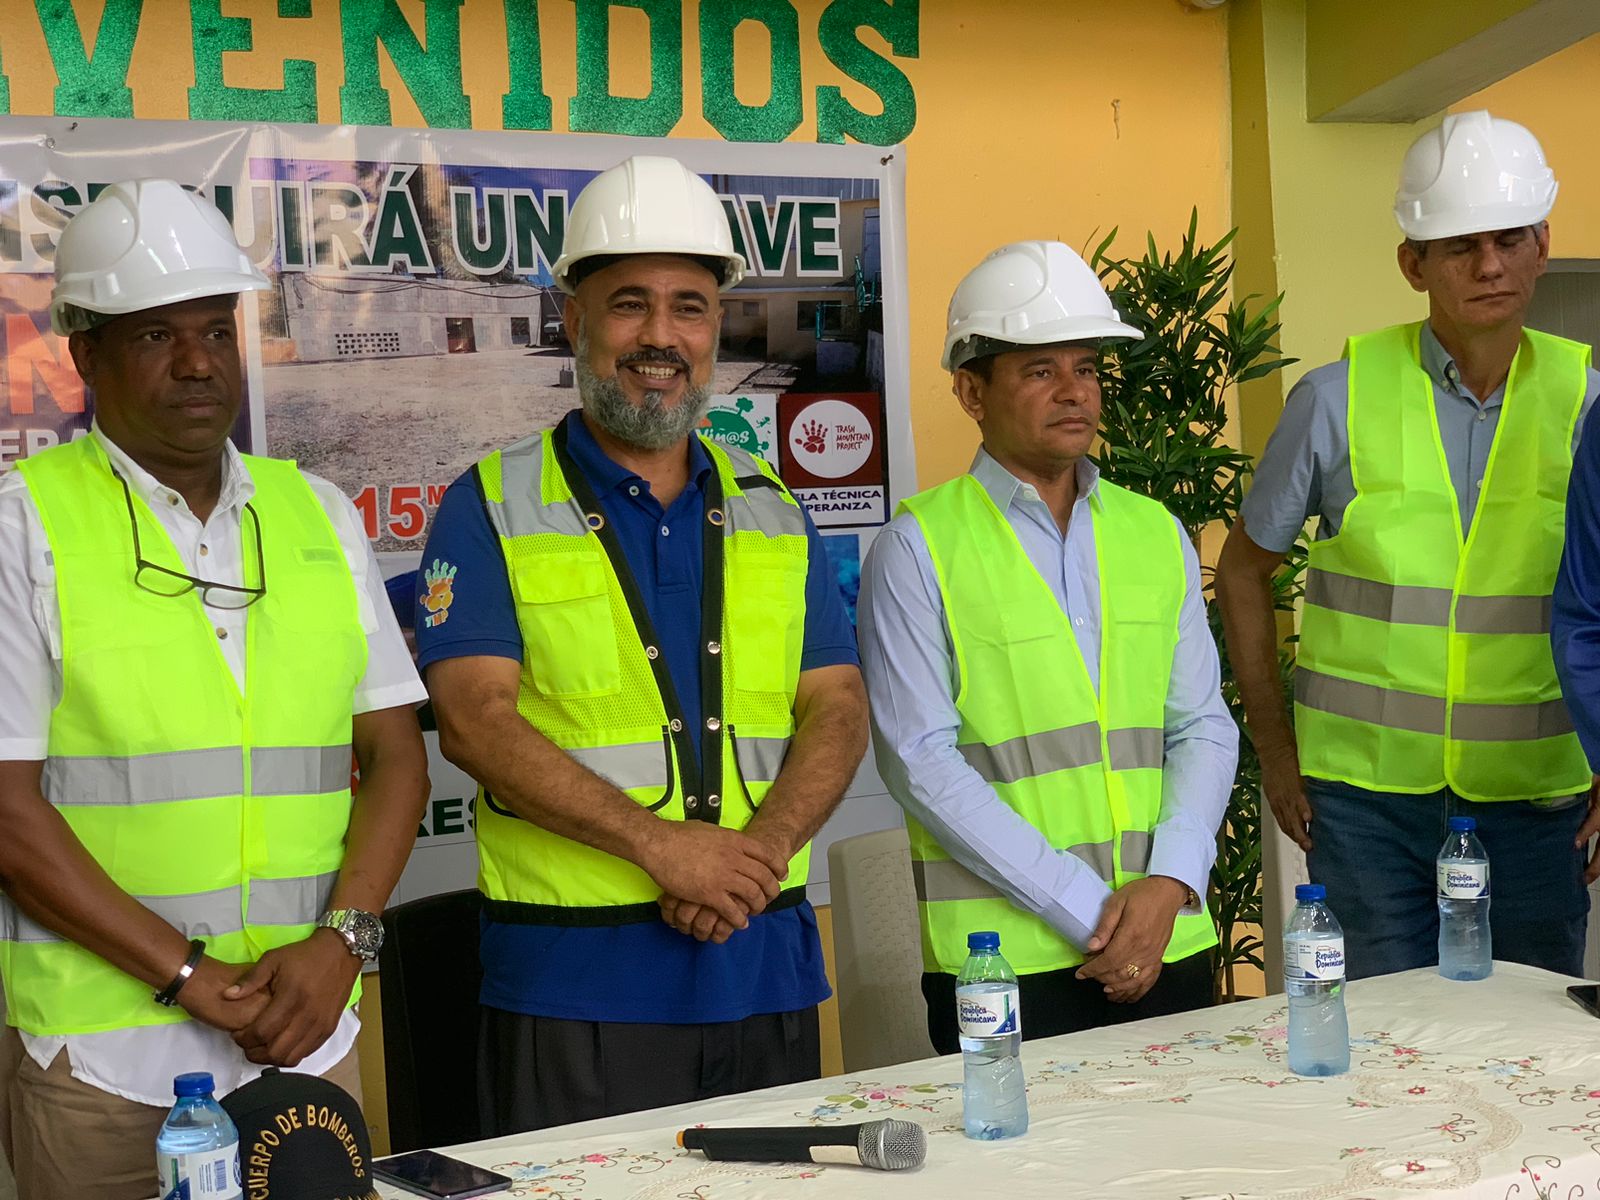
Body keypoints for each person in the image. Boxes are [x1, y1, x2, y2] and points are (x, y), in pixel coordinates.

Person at [416, 155, 867, 1134]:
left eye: (688, 307)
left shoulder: (774, 508)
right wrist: (665, 850)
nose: (660, 336)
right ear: (571, 318)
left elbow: (836, 704)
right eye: (629, 304)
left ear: (716, 327)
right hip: (572, 988)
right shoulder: (488, 505)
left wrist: (754, 859)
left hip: (764, 966)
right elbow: (473, 722)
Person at [0, 179, 429, 1200]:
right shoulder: (23, 526)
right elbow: (8, 812)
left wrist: (343, 946)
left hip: (309, 1041)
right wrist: (188, 975)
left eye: (213, 329)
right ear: (85, 355)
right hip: (106, 1067)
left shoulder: (318, 513)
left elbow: (396, 758)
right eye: (155, 336)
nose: (197, 363)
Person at [1216, 111, 1600, 980]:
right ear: (1412, 264)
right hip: (1365, 807)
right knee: (1382, 1037)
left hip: (1535, 799)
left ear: (1543, 246)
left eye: (1509, 239)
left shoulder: (1588, 406)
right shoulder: (1334, 399)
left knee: (1531, 1034)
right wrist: (1275, 753)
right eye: (1460, 245)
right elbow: (1243, 571)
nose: (1490, 265)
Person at [859, 240, 1237, 1051]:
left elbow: (1201, 725)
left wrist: (1170, 882)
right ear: (972, 392)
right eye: (1040, 370)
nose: (1075, 392)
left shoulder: (1154, 533)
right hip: (1004, 965)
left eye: (1087, 368)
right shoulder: (917, 548)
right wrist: (1096, 914)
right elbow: (919, 762)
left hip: (1169, 942)